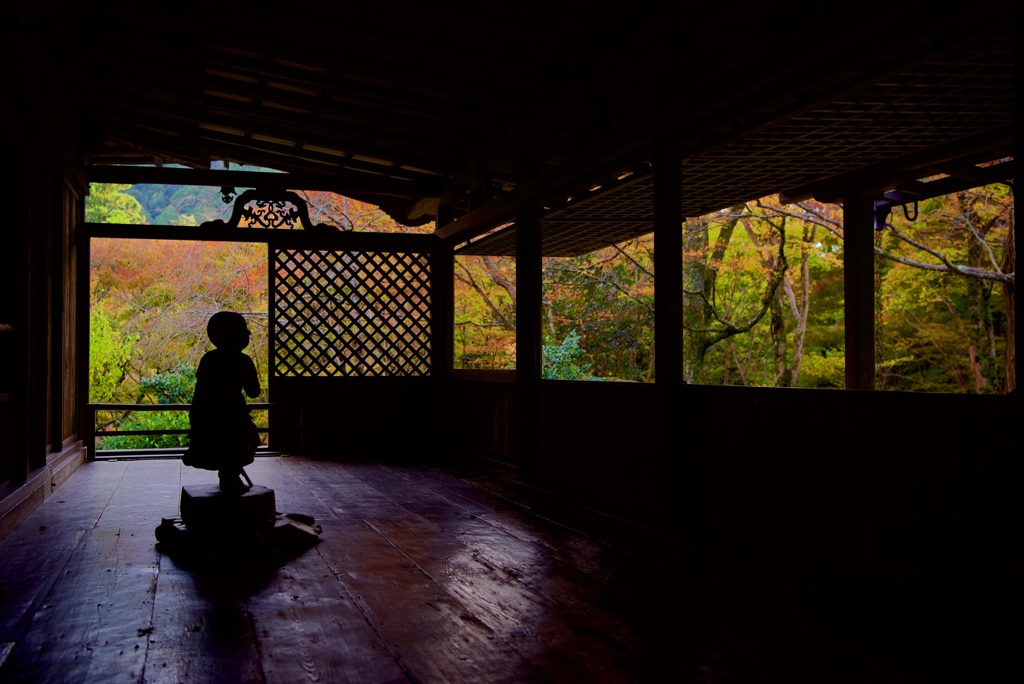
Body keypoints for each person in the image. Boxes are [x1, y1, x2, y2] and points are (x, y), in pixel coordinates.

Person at [182, 311, 260, 493]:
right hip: (234, 414)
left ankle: (228, 475)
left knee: (220, 446)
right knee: (244, 443)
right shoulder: (243, 361)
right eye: (243, 331)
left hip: (209, 414)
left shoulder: (209, 359)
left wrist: (196, 417)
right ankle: (230, 475)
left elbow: (200, 391)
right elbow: (253, 392)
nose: (248, 334)